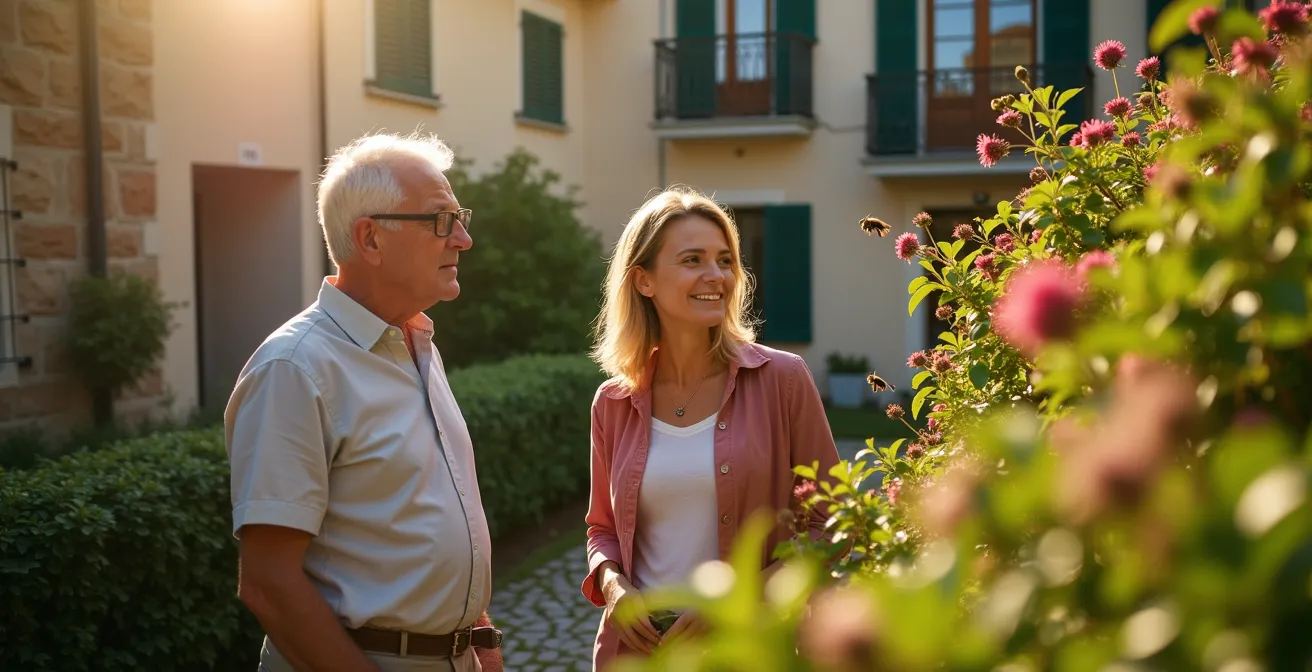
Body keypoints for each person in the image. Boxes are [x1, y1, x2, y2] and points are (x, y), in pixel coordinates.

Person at [225, 132, 503, 672]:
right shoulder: (295, 367)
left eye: (460, 217)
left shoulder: (415, 344)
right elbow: (268, 583)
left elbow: (432, 521)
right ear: (370, 239)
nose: (464, 239)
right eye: (442, 220)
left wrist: (479, 639)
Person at [581, 187, 843, 669]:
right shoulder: (613, 403)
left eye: (725, 260)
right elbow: (602, 529)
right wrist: (613, 586)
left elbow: (831, 524)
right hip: (640, 656)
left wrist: (735, 599)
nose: (716, 276)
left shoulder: (782, 380)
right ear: (644, 281)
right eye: (692, 260)